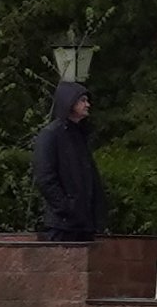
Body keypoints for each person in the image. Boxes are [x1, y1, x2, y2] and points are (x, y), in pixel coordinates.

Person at [31, 78, 107, 240]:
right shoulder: (51, 135)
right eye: (82, 100)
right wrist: (66, 207)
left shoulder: (80, 134)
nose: (87, 105)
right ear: (69, 102)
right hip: (62, 225)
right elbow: (45, 177)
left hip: (84, 223)